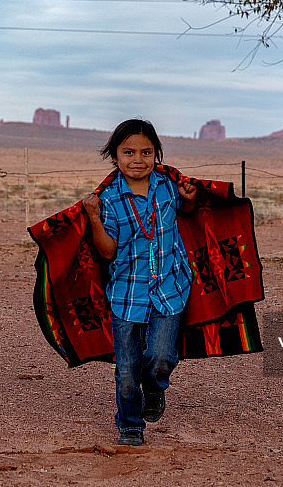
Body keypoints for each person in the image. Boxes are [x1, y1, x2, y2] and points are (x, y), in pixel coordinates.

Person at [82, 118, 196, 446]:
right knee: (127, 369)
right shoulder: (110, 198)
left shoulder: (168, 185)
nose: (137, 159)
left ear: (157, 155)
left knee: (160, 358)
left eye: (146, 152)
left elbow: (186, 213)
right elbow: (107, 251)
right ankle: (130, 425)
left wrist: (188, 200)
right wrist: (93, 218)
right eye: (128, 152)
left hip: (170, 288)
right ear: (114, 156)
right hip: (127, 293)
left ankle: (156, 387)